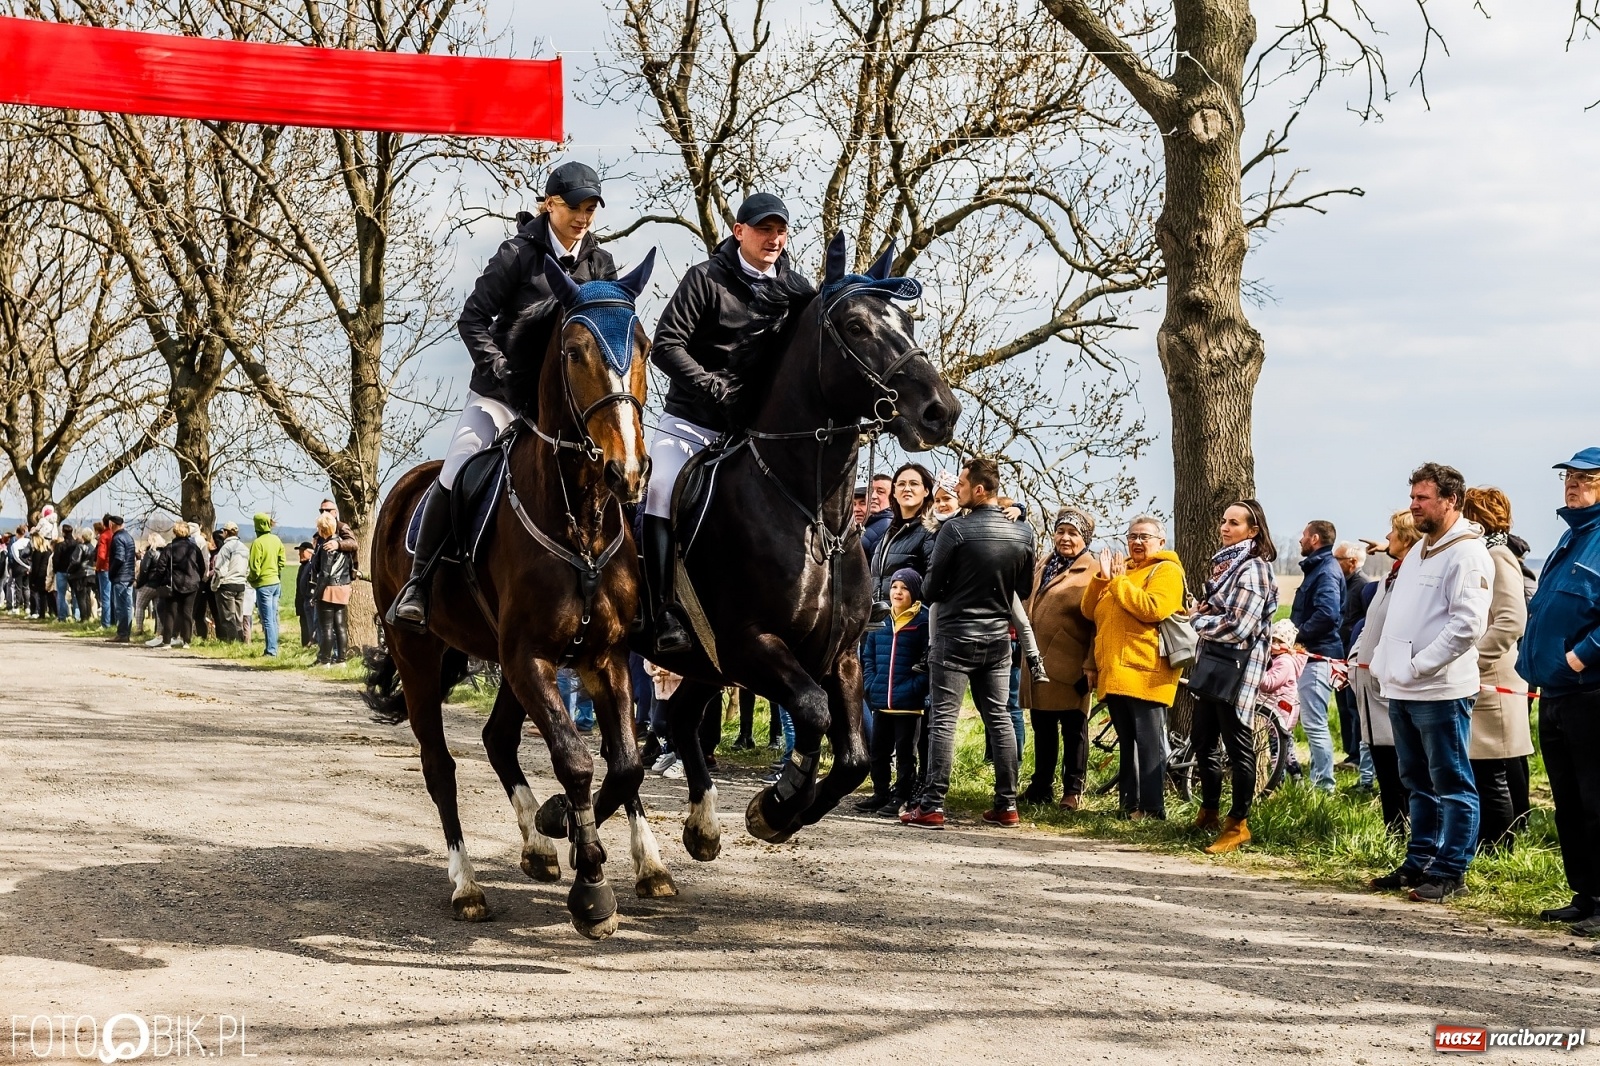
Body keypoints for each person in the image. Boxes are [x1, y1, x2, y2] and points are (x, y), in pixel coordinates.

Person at [390, 161, 618, 630]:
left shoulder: (600, 263)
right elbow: (472, 318)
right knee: (458, 466)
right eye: (575, 206)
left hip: (563, 408)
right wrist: (499, 369)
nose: (583, 216)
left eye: (591, 207)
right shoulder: (517, 254)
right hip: (501, 396)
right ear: (550, 204)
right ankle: (419, 582)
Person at [639, 192, 817, 656]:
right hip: (691, 424)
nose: (774, 239)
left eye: (780, 231)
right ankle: (662, 612)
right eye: (763, 230)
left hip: (754, 435)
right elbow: (665, 346)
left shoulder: (797, 289)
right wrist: (715, 388)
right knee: (659, 492)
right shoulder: (704, 280)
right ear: (739, 232)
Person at [1368, 463, 1492, 903]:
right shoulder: (1420, 549)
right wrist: (1387, 664)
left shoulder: (1467, 553)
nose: (1414, 505)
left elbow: (1467, 625)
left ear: (1451, 500)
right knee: (1415, 780)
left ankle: (1451, 868)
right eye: (1413, 497)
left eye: (1423, 498)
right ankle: (1419, 859)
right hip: (1401, 687)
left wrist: (1420, 665)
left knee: (1452, 781)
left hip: (1439, 690)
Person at [901, 458, 1035, 830]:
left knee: (943, 719)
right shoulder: (1024, 534)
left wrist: (952, 591)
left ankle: (931, 806)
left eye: (961, 484)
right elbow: (1022, 590)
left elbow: (929, 588)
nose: (956, 489)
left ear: (978, 489)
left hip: (954, 634)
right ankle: (1007, 805)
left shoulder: (956, 530)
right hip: (996, 638)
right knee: (1000, 718)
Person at [1516, 447, 1600, 931]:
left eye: (1585, 478)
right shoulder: (1571, 538)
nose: (1572, 485)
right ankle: (1584, 893)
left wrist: (1578, 656)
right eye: (1569, 477)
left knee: (1596, 798)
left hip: (1590, 692)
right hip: (1554, 692)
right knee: (1568, 800)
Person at [1189, 500, 1280, 854]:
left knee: (1239, 748)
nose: (1225, 528)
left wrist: (1197, 621)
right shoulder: (1227, 566)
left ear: (1253, 531)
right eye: (1223, 521)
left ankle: (1238, 824)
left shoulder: (1254, 569)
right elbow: (1225, 610)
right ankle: (1208, 811)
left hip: (1238, 672)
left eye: (1234, 523)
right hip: (1214, 665)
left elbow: (1238, 627)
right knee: (1203, 741)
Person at [1081, 515, 1185, 821]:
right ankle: (1128, 807)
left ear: (1160, 542)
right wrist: (1102, 579)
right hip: (1115, 670)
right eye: (1133, 536)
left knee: (1149, 744)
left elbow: (1153, 608)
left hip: (1146, 670)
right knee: (1128, 743)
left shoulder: (1166, 570)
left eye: (1144, 537)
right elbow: (1089, 611)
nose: (1137, 542)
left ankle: (1152, 809)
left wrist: (1118, 582)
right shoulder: (1122, 571)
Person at [1461, 487, 1532, 852]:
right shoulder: (1484, 553)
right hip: (1482, 679)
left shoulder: (1499, 555)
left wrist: (1472, 659)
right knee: (1485, 772)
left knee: (1493, 774)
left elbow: (1510, 620)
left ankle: (1499, 849)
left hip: (1493, 678)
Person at [1017, 506, 1098, 809]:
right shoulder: (1044, 564)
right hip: (1039, 662)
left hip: (1072, 663)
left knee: (1074, 729)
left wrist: (1091, 663)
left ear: (1085, 539)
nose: (1065, 538)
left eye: (1073, 533)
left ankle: (1072, 791)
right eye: (1061, 531)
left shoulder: (1093, 571)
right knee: (1043, 726)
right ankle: (1041, 786)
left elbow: (1097, 624)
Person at [1351, 510, 1421, 832]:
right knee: (1385, 771)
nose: (1387, 538)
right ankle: (1394, 833)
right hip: (1371, 689)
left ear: (1406, 539)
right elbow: (1370, 626)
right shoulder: (1392, 577)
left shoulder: (1413, 578)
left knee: (1400, 773)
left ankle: (1404, 836)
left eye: (1393, 532)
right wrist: (1355, 658)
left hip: (1390, 691)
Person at [858, 567, 930, 816]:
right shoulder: (882, 619)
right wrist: (870, 684)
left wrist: (914, 688)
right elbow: (868, 657)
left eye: (904, 588)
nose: (897, 592)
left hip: (909, 704)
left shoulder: (924, 621)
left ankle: (901, 795)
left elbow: (928, 662)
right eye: (894, 587)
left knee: (905, 753)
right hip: (881, 700)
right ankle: (880, 793)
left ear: (915, 592)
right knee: (878, 751)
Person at [1289, 519, 1343, 793]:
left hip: (1319, 656)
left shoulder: (1325, 572)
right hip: (1311, 655)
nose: (1300, 539)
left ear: (1315, 539)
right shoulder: (1318, 569)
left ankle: (1323, 787)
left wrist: (1295, 635)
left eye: (1303, 534)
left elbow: (1327, 614)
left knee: (1314, 723)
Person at [1333, 541, 1373, 769]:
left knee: (1354, 706)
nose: (1333, 563)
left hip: (1355, 656)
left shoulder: (1363, 585)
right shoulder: (1343, 584)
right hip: (1340, 656)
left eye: (1337, 559)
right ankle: (1350, 753)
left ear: (1352, 562)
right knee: (1343, 705)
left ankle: (1359, 757)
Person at [311, 513, 354, 665]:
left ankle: (324, 659)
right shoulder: (343, 544)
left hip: (329, 588)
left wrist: (316, 595)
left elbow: (324, 573)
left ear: (321, 530)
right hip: (343, 586)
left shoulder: (326, 547)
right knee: (340, 626)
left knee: (327, 628)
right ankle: (341, 659)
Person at [162, 521, 207, 649]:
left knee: (171, 612)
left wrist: (162, 580)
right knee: (188, 612)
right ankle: (186, 641)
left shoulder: (170, 548)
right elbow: (202, 566)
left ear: (175, 532)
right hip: (192, 583)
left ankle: (167, 641)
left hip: (174, 582)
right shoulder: (194, 548)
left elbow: (161, 566)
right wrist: (197, 577)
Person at [248, 512, 287, 656]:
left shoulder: (257, 543)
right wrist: (276, 572)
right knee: (274, 617)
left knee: (267, 619)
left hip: (263, 585)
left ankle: (271, 650)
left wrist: (252, 579)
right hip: (276, 583)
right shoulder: (276, 540)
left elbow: (254, 567)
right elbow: (282, 561)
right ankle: (273, 647)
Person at [211, 522, 250, 642]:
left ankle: (232, 642)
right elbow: (247, 568)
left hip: (227, 584)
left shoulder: (226, 548)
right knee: (238, 616)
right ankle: (240, 639)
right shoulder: (244, 547)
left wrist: (215, 585)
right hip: (240, 584)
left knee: (228, 617)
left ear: (226, 532)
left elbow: (220, 569)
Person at [136, 532, 171, 647]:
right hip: (160, 585)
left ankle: (139, 629)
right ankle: (159, 632)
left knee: (140, 605)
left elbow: (144, 569)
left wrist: (139, 583)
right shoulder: (165, 552)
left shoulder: (150, 553)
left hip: (149, 584)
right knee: (158, 609)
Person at [106, 516, 136, 643]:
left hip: (121, 575)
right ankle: (126, 632)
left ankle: (122, 633)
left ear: (112, 524)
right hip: (128, 575)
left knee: (120, 606)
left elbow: (119, 557)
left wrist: (111, 571)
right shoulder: (128, 537)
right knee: (128, 606)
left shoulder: (118, 538)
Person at [860, 473, 895, 559]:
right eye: (870, 491)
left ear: (893, 497)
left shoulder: (888, 526)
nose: (873, 496)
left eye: (880, 492)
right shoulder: (869, 523)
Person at [294, 541, 317, 647]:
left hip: (309, 601)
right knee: (304, 625)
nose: (300, 554)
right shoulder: (303, 566)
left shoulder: (311, 566)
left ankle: (311, 645)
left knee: (311, 626)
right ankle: (305, 646)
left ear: (310, 553)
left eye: (302, 551)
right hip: (302, 603)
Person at [52, 524, 77, 621]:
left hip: (61, 571)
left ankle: (62, 616)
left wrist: (55, 570)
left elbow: (56, 559)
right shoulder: (76, 545)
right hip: (73, 571)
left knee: (61, 594)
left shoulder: (60, 545)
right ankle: (76, 616)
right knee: (75, 594)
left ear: (63, 532)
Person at [95, 516, 114, 627]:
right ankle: (113, 620)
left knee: (105, 597)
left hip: (104, 568)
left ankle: (105, 623)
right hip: (113, 567)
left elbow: (101, 555)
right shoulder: (113, 535)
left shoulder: (104, 536)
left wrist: (98, 567)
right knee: (112, 596)